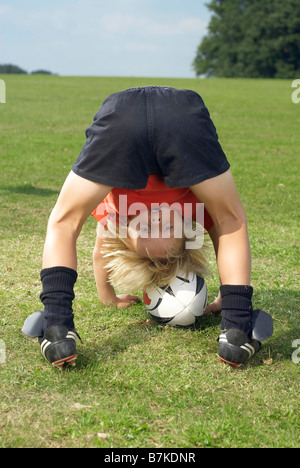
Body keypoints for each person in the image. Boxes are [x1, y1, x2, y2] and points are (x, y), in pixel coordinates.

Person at [38, 86, 261, 369]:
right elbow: (228, 227)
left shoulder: (116, 214)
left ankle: (56, 328)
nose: (155, 222)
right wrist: (230, 305)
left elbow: (95, 249)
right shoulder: (196, 208)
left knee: (63, 220)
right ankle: (237, 334)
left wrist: (108, 296)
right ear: (188, 231)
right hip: (181, 119)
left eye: (145, 232)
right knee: (232, 218)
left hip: (122, 120)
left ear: (124, 232)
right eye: (168, 230)